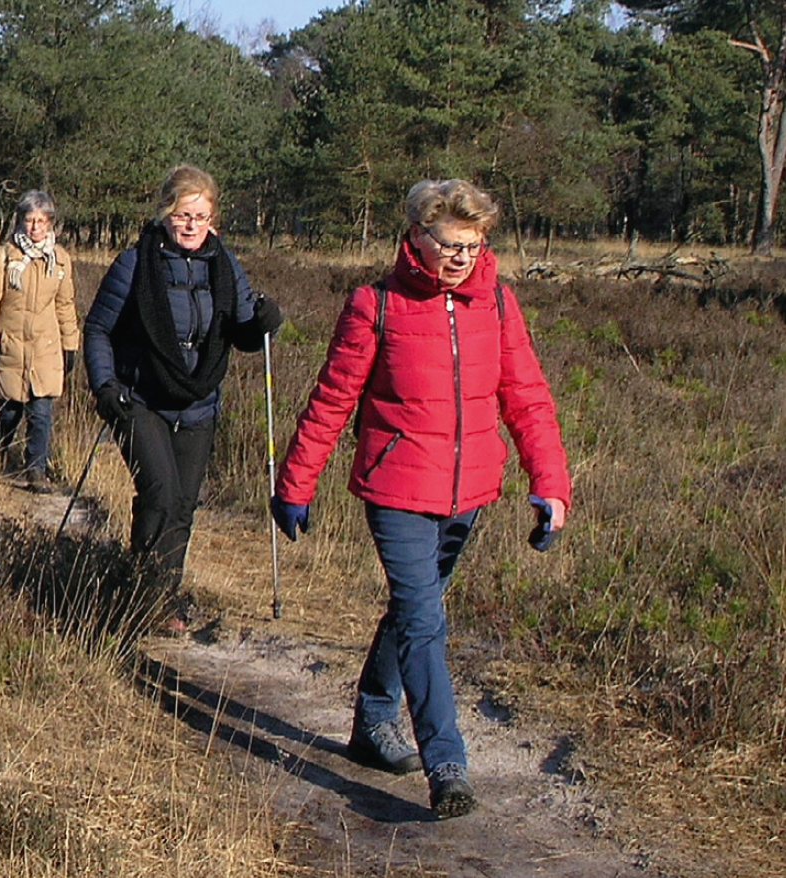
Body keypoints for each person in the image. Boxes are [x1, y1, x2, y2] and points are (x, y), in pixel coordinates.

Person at [269, 179, 571, 820]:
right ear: (416, 236)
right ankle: (448, 764)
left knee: (416, 610)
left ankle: (373, 720)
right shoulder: (375, 304)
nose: (460, 256)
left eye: (473, 244)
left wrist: (549, 482)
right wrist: (297, 482)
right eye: (448, 243)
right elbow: (332, 400)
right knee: (425, 620)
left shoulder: (498, 303)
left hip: (471, 490)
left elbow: (527, 397)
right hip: (397, 485)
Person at [83, 164, 283, 618]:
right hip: (141, 401)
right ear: (166, 214)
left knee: (182, 507)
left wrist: (265, 320)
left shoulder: (225, 265)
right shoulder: (135, 263)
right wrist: (105, 385)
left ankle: (158, 596)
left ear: (213, 220)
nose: (191, 225)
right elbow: (98, 328)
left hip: (198, 403)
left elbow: (245, 331)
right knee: (161, 495)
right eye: (182, 214)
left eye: (201, 216)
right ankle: (141, 598)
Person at [0, 191, 79, 492]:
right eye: (29, 220)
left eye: (41, 221)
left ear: (50, 224)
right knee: (9, 410)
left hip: (46, 349)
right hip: (10, 346)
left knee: (42, 412)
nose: (35, 227)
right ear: (20, 221)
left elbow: (65, 304)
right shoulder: (4, 256)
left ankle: (36, 470)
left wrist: (70, 345)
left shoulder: (60, 260)